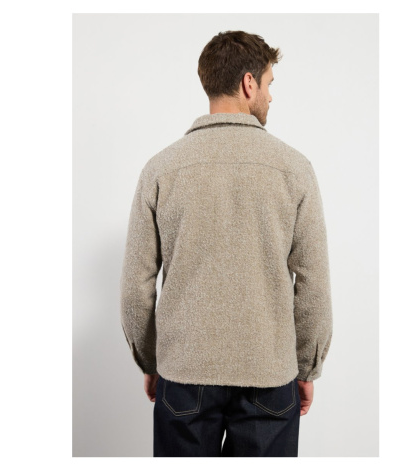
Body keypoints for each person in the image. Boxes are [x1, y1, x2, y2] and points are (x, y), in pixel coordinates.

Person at [120, 30, 333, 457]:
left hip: (184, 375)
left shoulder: (161, 169)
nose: (270, 96)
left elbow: (135, 290)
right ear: (248, 83)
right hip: (269, 376)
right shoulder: (294, 169)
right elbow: (313, 286)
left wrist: (151, 361)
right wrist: (306, 367)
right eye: (269, 84)